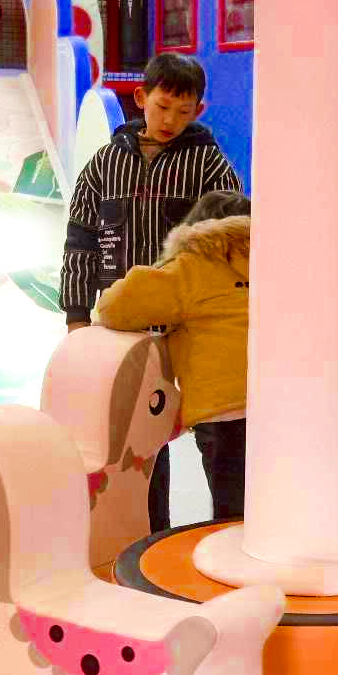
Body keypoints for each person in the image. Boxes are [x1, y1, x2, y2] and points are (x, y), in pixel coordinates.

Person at [61, 53, 241, 531]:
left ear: (198, 111)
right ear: (141, 98)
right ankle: (150, 534)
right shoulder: (104, 164)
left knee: (217, 432)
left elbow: (234, 236)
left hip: (192, 328)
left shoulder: (210, 164)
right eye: (162, 107)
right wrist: (77, 316)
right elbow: (80, 238)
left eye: (183, 112)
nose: (170, 121)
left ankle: (228, 532)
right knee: (137, 434)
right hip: (122, 329)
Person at [94, 191, 251, 522]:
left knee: (234, 518)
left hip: (225, 412)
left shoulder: (192, 266)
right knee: (274, 508)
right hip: (284, 409)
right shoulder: (277, 265)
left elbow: (115, 307)